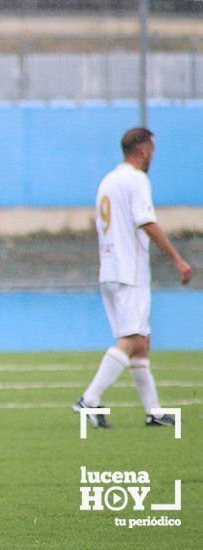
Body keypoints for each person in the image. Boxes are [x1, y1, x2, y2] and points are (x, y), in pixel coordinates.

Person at [74, 127, 193, 429]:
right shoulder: (137, 179)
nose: (153, 155)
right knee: (133, 338)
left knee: (141, 342)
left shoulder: (108, 181)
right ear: (142, 150)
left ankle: (153, 411)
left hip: (110, 269)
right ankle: (89, 399)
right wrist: (177, 259)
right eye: (152, 149)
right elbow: (147, 222)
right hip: (130, 271)